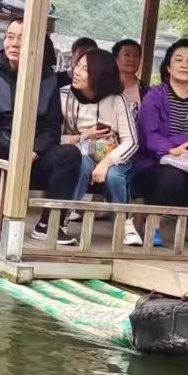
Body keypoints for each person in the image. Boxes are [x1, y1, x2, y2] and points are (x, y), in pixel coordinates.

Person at [0, 18, 82, 244]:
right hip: (0, 145)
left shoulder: (47, 79)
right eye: (10, 37)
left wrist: (35, 150)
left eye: (22, 38)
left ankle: (49, 225)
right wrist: (13, 146)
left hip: (34, 155)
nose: (14, 43)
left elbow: (52, 126)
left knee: (69, 154)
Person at [134, 39, 188, 248]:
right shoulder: (154, 97)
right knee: (171, 176)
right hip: (153, 165)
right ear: (168, 66)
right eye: (179, 60)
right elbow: (147, 135)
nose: (184, 65)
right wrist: (172, 149)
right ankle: (153, 228)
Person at [60, 48, 142, 246]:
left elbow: (131, 141)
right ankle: (62, 218)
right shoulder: (63, 95)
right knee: (81, 164)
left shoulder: (117, 99)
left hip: (114, 157)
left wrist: (106, 163)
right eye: (77, 66)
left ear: (101, 74)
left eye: (85, 69)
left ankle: (125, 224)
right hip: (79, 152)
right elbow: (53, 138)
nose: (77, 72)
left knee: (114, 176)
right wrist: (82, 136)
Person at [113, 38, 143, 110]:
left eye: (136, 56)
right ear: (115, 59)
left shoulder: (147, 91)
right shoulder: (103, 87)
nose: (132, 59)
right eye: (127, 55)